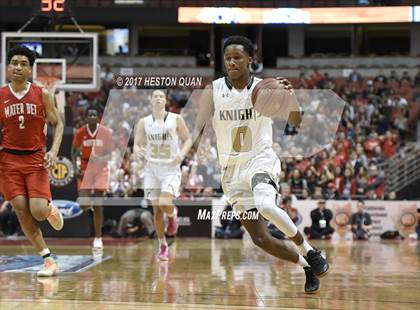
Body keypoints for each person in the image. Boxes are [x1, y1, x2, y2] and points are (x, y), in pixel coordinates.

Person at [192, 35, 329, 293]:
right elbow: (198, 126)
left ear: (250, 60)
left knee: (266, 205)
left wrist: (290, 97)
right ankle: (306, 266)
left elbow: (296, 121)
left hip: (260, 159)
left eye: (237, 58)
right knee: (260, 238)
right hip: (231, 170)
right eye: (228, 58)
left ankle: (309, 250)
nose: (231, 62)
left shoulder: (266, 89)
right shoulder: (213, 90)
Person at [0, 45, 64, 276]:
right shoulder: (0, 95)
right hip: (8, 161)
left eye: (23, 64)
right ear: (8, 67)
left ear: (30, 70)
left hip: (35, 158)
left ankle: (48, 209)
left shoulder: (42, 94)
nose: (18, 67)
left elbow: (59, 124)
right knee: (20, 209)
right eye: (14, 63)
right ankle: (48, 259)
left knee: (37, 211)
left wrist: (54, 150)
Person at [134, 89, 192, 261]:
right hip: (152, 169)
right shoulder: (143, 122)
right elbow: (137, 143)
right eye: (155, 97)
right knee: (157, 211)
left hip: (170, 168)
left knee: (165, 203)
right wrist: (137, 149)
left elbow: (188, 139)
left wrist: (181, 155)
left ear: (165, 101)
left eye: (161, 96)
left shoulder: (176, 119)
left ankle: (173, 216)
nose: (158, 99)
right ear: (150, 101)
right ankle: (162, 245)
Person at [72, 107, 113, 252]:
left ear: (98, 117)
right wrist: (75, 167)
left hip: (101, 169)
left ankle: (98, 237)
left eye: (94, 115)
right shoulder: (80, 133)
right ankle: (88, 203)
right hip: (85, 168)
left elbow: (110, 155)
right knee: (83, 204)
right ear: (86, 118)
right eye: (89, 114)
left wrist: (100, 158)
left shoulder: (106, 133)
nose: (92, 117)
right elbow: (73, 151)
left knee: (98, 204)